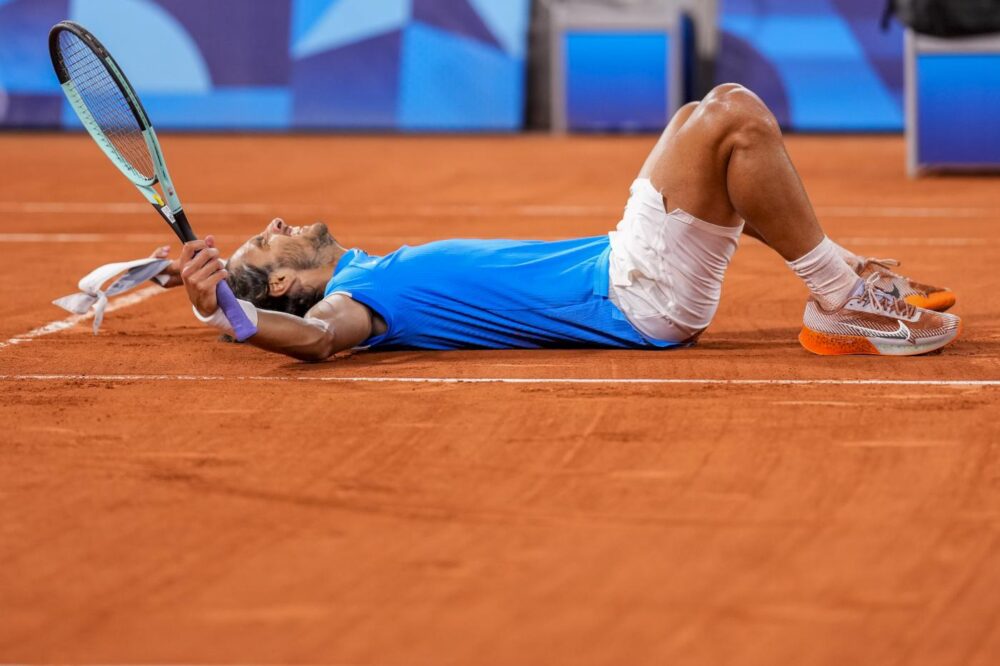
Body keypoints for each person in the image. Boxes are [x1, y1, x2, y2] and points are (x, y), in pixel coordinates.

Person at [172, 84, 960, 362]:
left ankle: (839, 280)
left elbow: (742, 200)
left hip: (626, 269)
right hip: (630, 296)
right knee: (732, 117)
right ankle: (837, 297)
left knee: (706, 119)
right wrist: (227, 314)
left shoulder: (372, 269)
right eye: (262, 240)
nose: (274, 222)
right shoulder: (357, 304)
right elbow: (311, 341)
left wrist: (832, 251)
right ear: (282, 282)